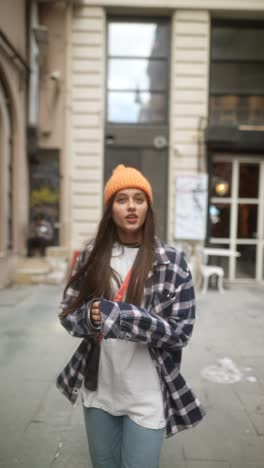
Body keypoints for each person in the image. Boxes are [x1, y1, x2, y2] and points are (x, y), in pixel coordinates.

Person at [57, 165, 205, 468]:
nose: (131, 206)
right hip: (99, 389)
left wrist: (125, 317)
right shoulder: (91, 255)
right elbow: (67, 314)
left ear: (148, 206)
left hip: (147, 392)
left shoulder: (171, 261)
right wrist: (92, 317)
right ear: (110, 207)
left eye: (139, 198)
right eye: (121, 199)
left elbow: (181, 333)